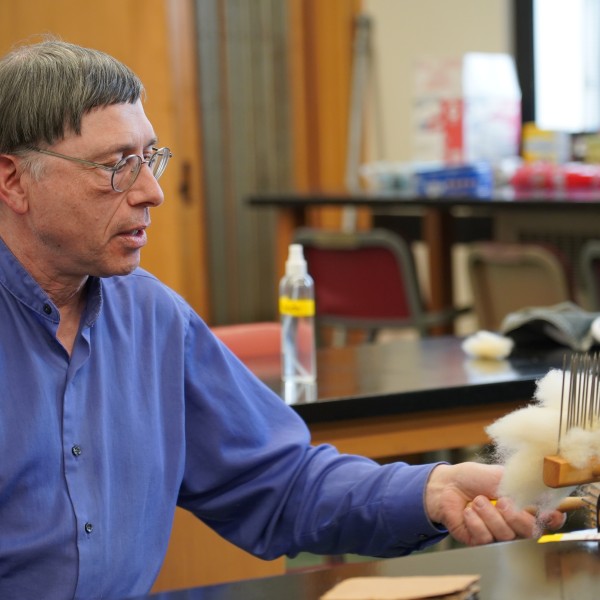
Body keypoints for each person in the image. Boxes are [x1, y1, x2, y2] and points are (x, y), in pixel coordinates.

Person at [0, 39, 564, 600]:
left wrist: (431, 490)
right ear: (14, 180)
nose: (152, 191)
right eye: (115, 166)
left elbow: (276, 482)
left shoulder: (151, 318)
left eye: (149, 158)